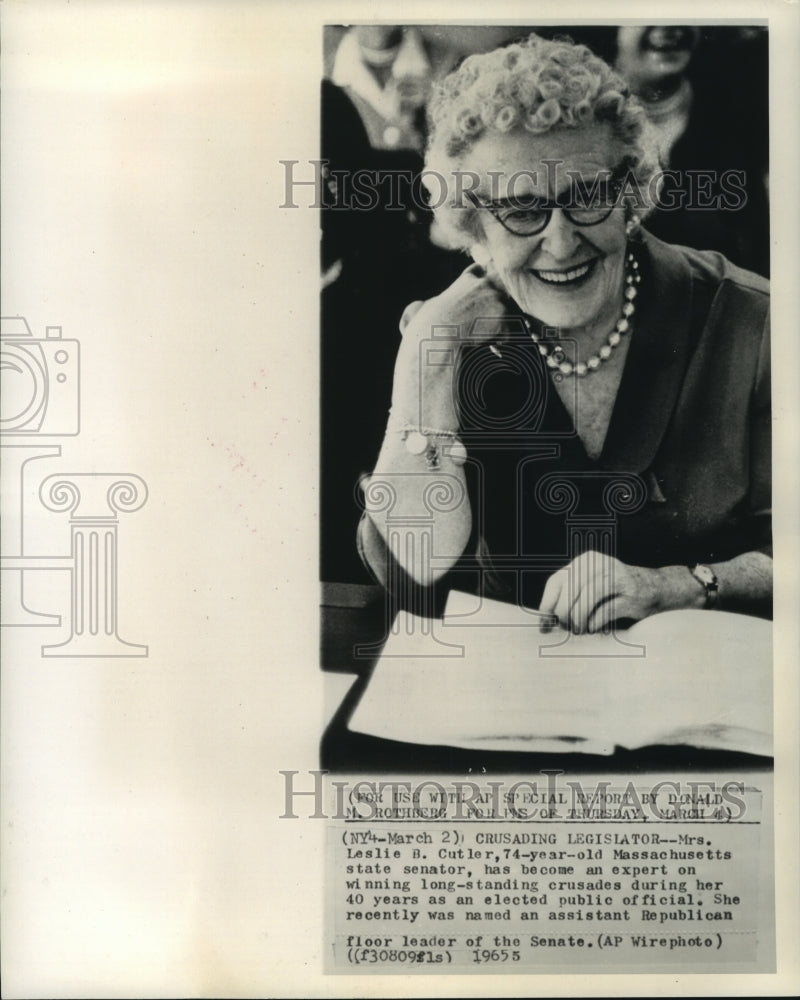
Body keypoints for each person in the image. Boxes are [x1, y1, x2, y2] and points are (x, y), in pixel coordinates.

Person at [357, 32, 771, 633]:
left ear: (629, 194)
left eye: (587, 197)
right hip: (514, 706)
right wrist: (430, 351)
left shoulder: (751, 321)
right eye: (522, 212)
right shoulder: (450, 336)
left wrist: (679, 586)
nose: (560, 241)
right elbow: (414, 570)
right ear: (473, 224)